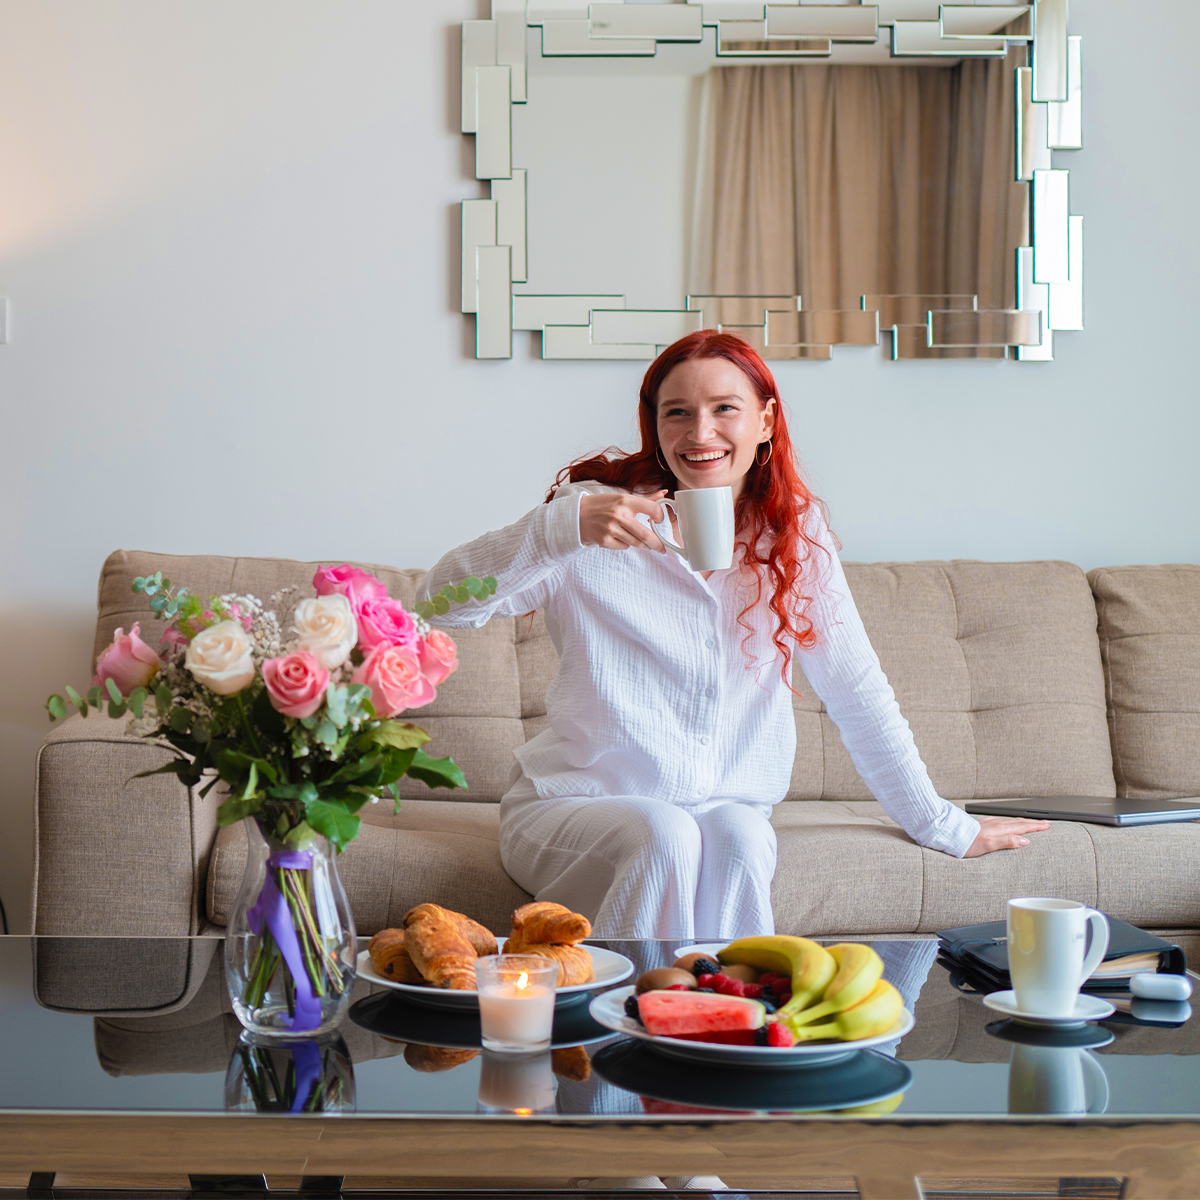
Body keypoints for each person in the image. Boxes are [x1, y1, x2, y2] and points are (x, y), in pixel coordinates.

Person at [420, 331, 1048, 939]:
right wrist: (560, 529)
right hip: (574, 806)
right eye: (677, 412)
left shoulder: (795, 533)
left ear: (765, 421)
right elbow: (438, 604)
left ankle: (720, 1000)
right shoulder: (594, 516)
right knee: (664, 833)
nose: (700, 433)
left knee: (742, 837)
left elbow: (856, 690)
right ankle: (623, 1006)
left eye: (725, 408)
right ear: (655, 426)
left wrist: (941, 824)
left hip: (724, 809)